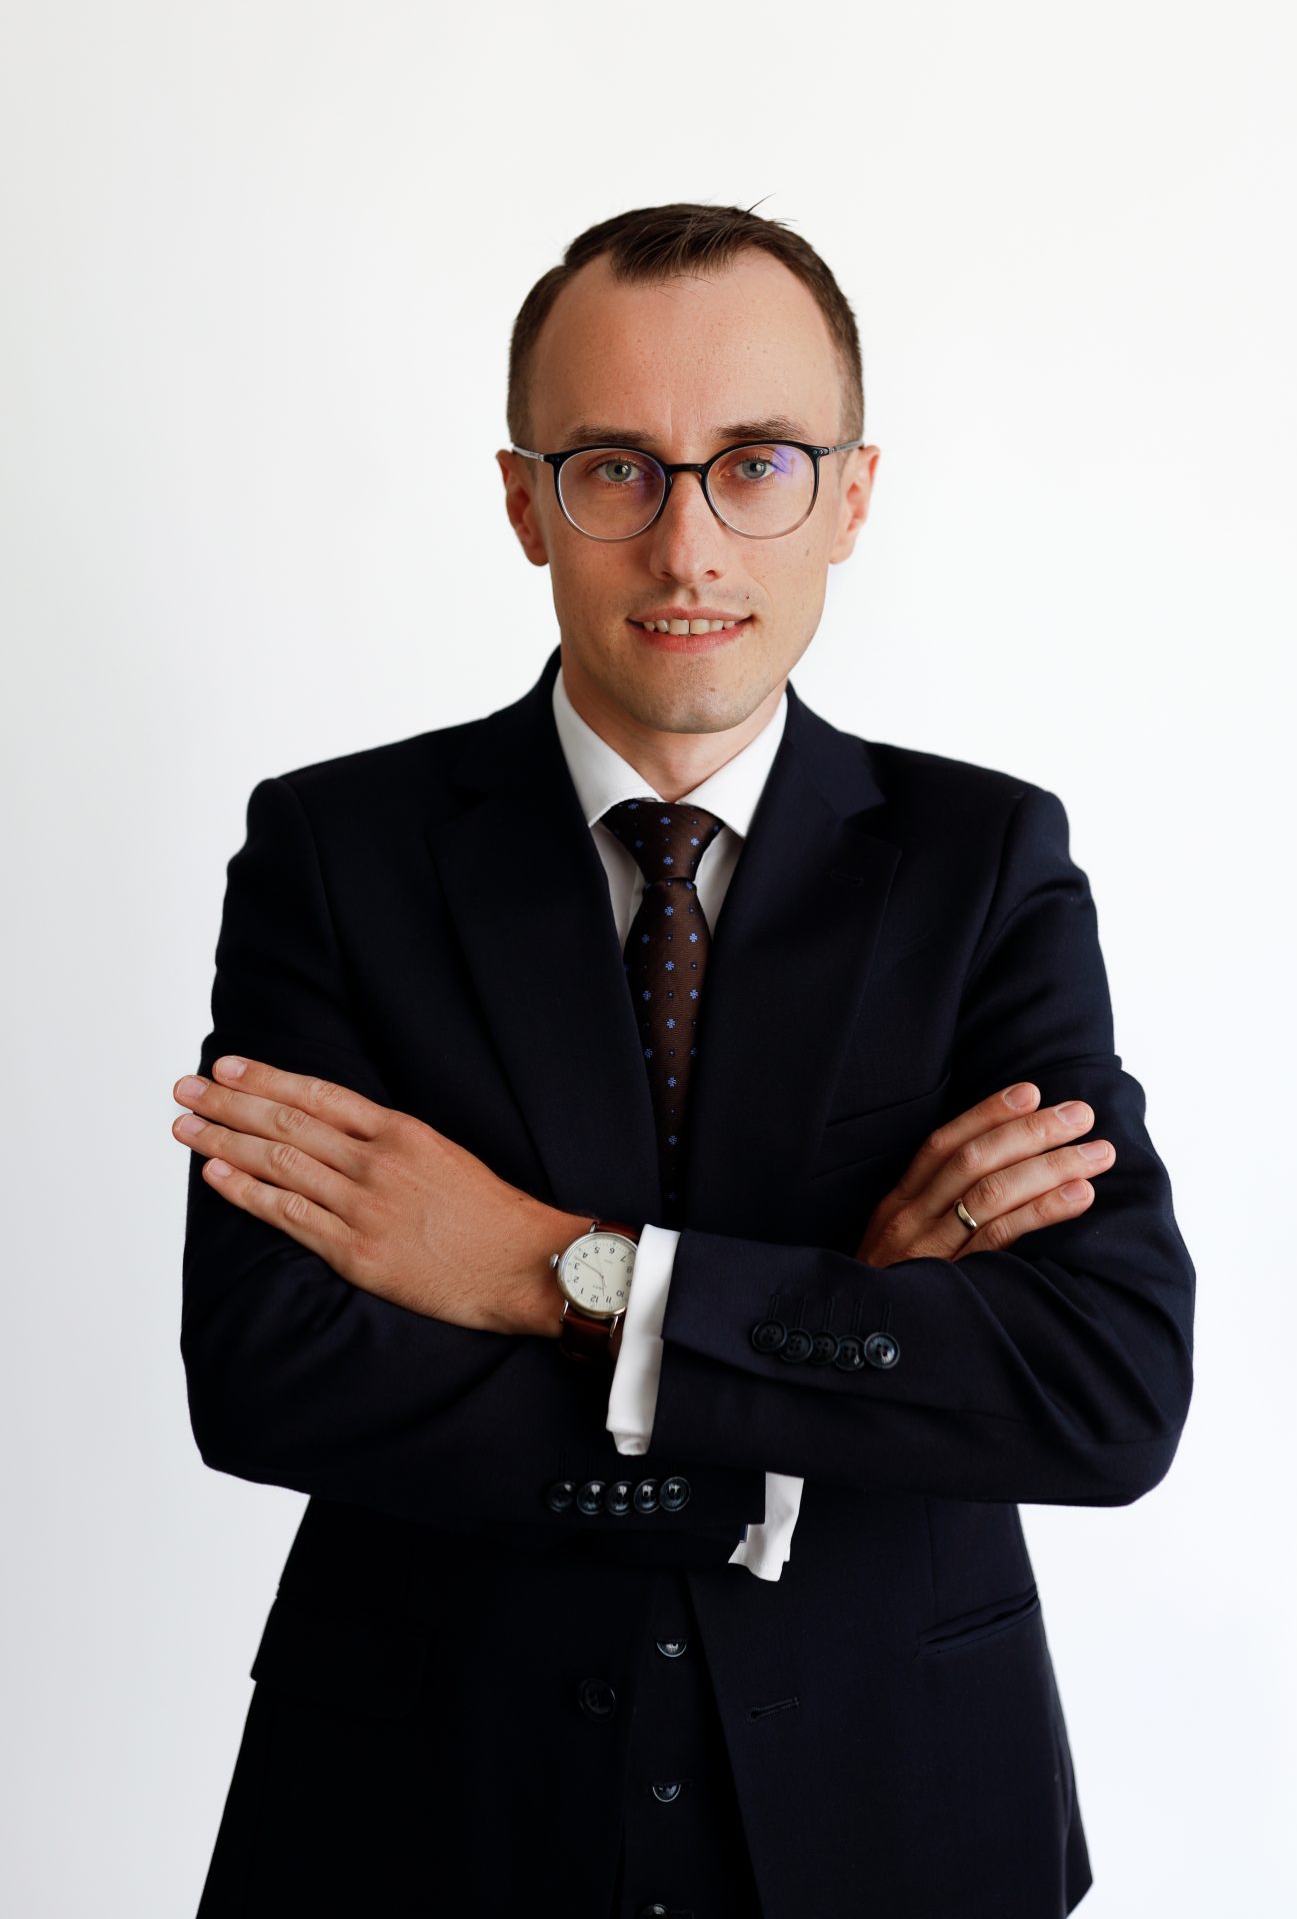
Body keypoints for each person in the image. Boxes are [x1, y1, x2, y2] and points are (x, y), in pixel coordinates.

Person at [176, 201, 1195, 1918]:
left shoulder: (982, 865)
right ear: (526, 504)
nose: (688, 547)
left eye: (756, 464)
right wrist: (820, 1374)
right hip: (424, 1809)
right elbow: (272, 1368)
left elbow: (1101, 1386)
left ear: (848, 498)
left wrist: (544, 1269)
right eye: (614, 470)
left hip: (897, 1801)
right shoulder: (337, 854)